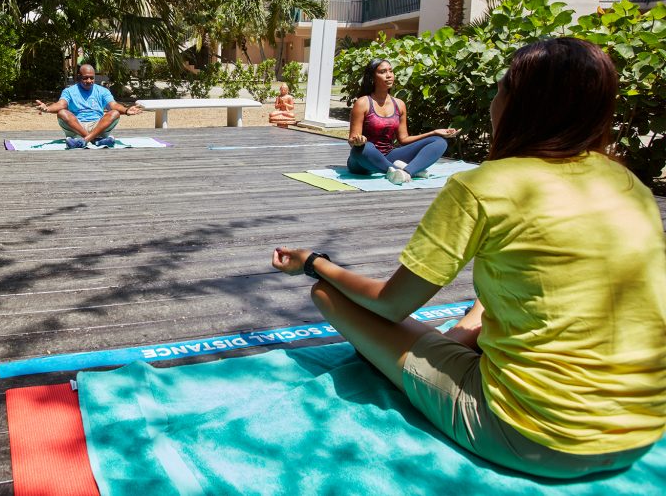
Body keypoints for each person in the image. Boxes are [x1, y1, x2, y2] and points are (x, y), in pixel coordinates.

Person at [271, 38, 666, 479]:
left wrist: (312, 261)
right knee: (481, 306)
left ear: (519, 104)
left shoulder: (483, 186)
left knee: (330, 295)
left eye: (501, 88)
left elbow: (390, 304)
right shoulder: (632, 186)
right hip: (640, 429)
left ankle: (453, 341)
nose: (495, 100)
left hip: (534, 436)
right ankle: (462, 336)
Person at [347, 58, 458, 184]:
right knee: (364, 148)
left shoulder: (399, 104)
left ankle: (406, 172)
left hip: (389, 155)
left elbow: (404, 139)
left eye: (390, 71)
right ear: (372, 77)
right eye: (383, 72)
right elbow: (352, 140)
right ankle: (400, 169)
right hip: (363, 160)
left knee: (439, 142)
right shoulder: (362, 103)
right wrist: (358, 141)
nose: (389, 75)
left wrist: (434, 133)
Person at [35, 64, 142, 148]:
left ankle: (84, 141)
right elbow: (61, 104)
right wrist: (47, 109)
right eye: (85, 78)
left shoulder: (102, 91)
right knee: (62, 112)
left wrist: (126, 110)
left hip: (98, 126)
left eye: (92, 78)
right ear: (78, 77)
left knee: (115, 113)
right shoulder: (69, 91)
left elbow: (113, 105)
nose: (89, 81)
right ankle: (96, 140)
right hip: (76, 126)